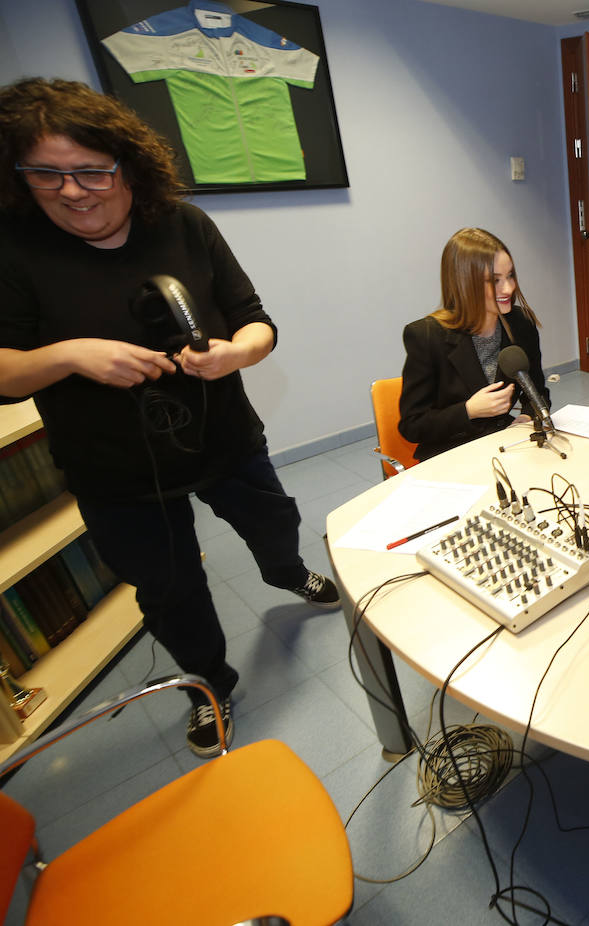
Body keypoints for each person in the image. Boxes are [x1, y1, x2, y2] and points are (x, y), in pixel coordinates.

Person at [0, 78, 339, 758]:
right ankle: (207, 684)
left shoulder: (184, 224)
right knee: (169, 588)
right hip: (113, 470)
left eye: (91, 171)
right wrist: (68, 355)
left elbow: (256, 321)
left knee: (274, 519)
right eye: (46, 174)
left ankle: (285, 572)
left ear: (128, 163)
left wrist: (236, 354)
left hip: (224, 437)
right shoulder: (14, 247)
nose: (71, 191)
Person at [399, 228, 549, 462]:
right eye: (494, 281)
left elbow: (537, 393)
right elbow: (412, 425)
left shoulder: (521, 324)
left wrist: (528, 418)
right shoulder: (426, 336)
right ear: (463, 283)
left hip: (505, 446)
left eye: (510, 276)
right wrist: (468, 411)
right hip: (451, 455)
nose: (508, 289)